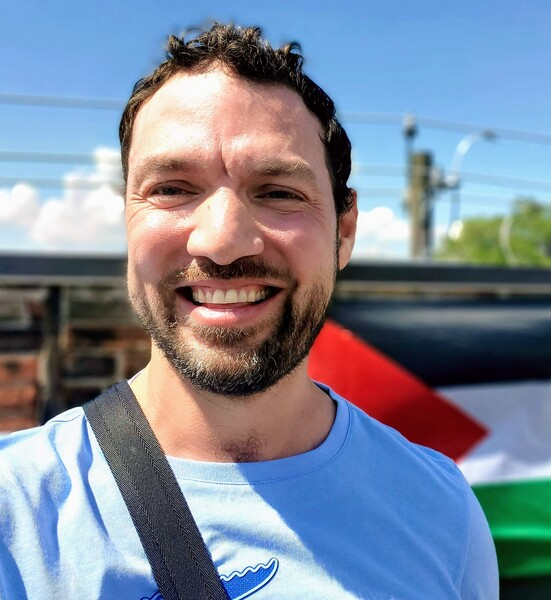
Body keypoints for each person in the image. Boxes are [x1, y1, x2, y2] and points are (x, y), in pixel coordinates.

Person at [0, 23, 499, 599]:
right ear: (128, 223)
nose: (222, 240)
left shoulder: (440, 509)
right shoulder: (17, 513)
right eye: (172, 188)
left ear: (344, 231)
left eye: (279, 192)